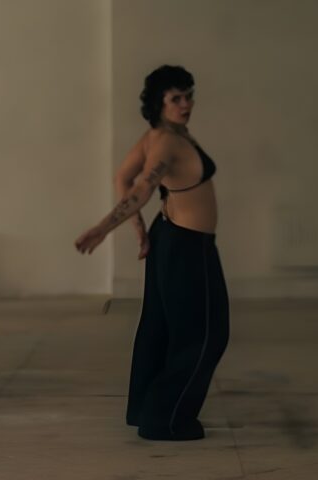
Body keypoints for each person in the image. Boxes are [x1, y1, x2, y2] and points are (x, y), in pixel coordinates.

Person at [75, 65, 229, 441]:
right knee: (204, 335)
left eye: (188, 96)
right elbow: (140, 188)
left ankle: (145, 410)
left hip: (170, 238)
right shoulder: (166, 143)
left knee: (159, 329)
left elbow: (122, 177)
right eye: (176, 98)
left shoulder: (159, 136)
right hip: (187, 246)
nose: (186, 104)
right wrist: (104, 228)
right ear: (159, 102)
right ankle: (166, 420)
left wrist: (141, 229)